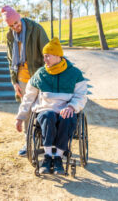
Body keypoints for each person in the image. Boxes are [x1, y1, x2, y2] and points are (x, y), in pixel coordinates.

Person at [15, 38, 87, 175]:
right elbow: (28, 98)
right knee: (47, 116)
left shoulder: (75, 74)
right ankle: (48, 157)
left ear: (58, 56)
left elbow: (81, 96)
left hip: (67, 110)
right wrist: (20, 117)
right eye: (44, 56)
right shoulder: (40, 74)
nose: (45, 59)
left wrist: (71, 107)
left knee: (68, 117)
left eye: (47, 56)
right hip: (45, 110)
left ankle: (59, 157)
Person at [1, 6, 49, 157]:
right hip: (21, 78)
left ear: (19, 17)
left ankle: (44, 140)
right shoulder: (10, 36)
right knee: (26, 110)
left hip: (38, 76)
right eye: (11, 25)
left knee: (42, 109)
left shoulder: (36, 29)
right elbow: (11, 60)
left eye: (16, 22)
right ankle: (29, 141)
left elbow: (47, 51)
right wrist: (14, 81)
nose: (15, 27)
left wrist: (48, 75)